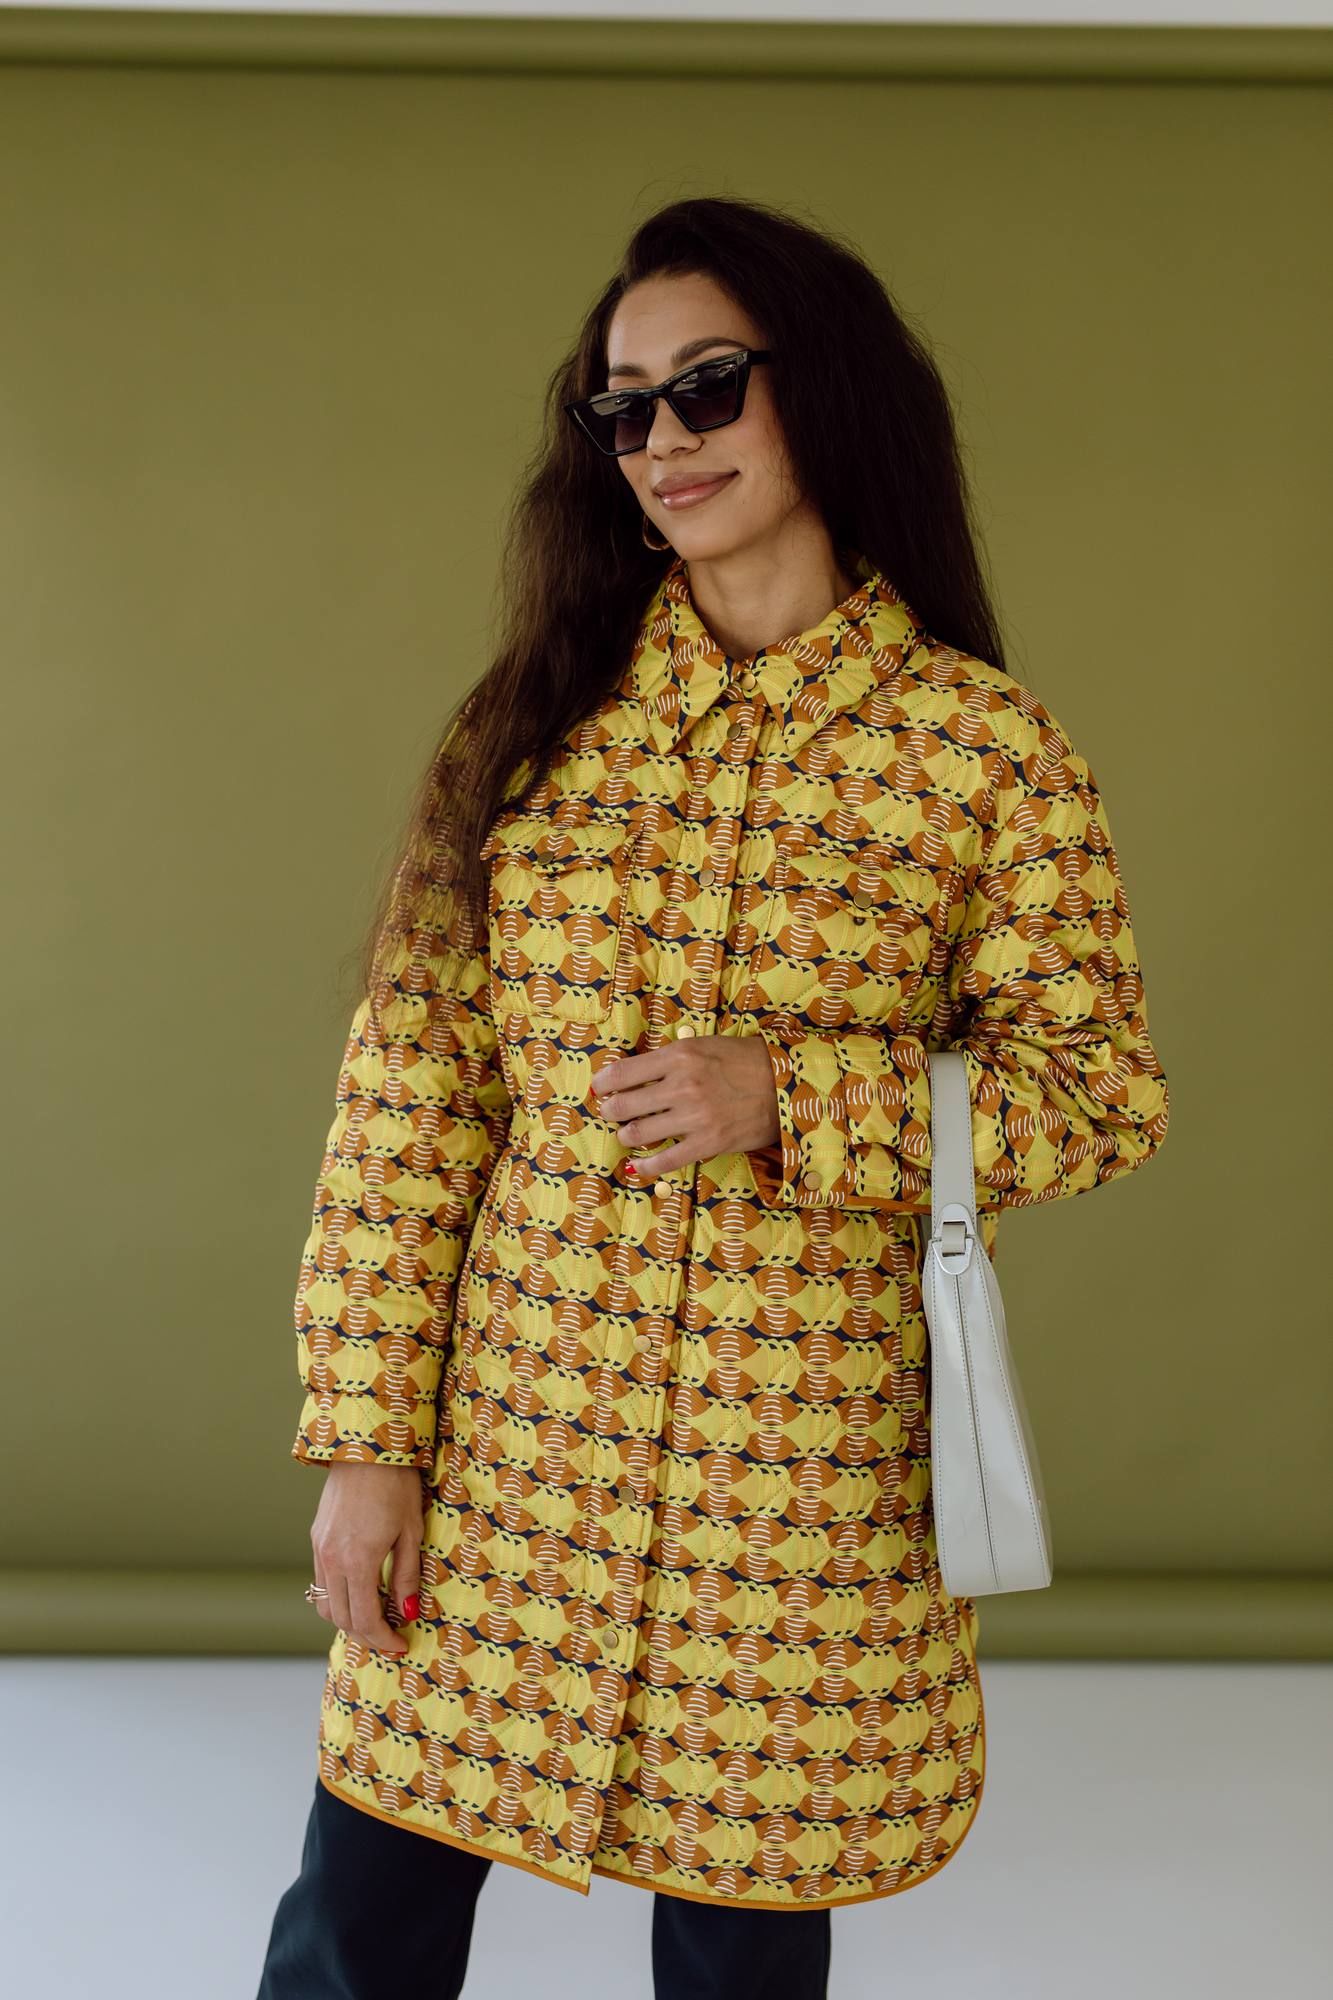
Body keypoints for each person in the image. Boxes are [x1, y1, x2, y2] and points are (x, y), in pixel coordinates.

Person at [255, 193, 1169, 1999]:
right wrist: (368, 1444)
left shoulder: (983, 756)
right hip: (512, 1463)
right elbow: (409, 1107)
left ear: (822, 390)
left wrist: (798, 1099)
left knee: (741, 1967)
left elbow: (1096, 1095)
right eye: (621, 406)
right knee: (358, 1933)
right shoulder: (533, 726)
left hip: (796, 1497)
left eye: (706, 387)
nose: (660, 439)